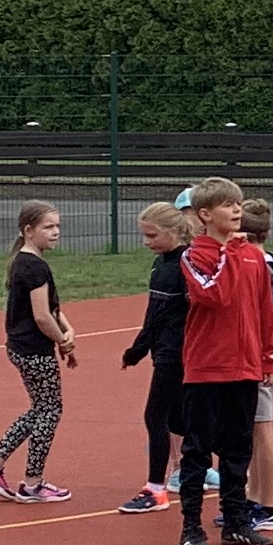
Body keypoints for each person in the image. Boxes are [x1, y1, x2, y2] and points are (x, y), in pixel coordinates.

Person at [171, 179, 273, 545]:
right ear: (204, 214)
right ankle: (191, 528)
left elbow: (264, 309)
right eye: (228, 205)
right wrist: (228, 254)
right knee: (197, 450)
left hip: (244, 367)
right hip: (206, 368)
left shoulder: (254, 256)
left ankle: (235, 521)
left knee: (238, 448)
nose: (236, 210)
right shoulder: (193, 256)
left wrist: (267, 355)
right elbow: (214, 294)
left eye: (238, 204)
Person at [0, 202, 78, 504]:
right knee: (49, 411)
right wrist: (63, 342)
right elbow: (43, 316)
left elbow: (53, 309)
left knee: (41, 410)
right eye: (48, 227)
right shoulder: (34, 266)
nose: (55, 232)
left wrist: (66, 329)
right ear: (28, 230)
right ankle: (31, 482)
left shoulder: (26, 261)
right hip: (33, 350)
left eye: (57, 226)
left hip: (23, 347)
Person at [117, 203, 188, 514]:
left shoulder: (181, 267)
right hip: (163, 349)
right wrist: (140, 349)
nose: (146, 241)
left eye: (152, 235)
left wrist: (137, 349)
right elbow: (152, 314)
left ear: (172, 233)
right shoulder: (161, 264)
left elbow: (158, 318)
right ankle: (196, 470)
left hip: (176, 352)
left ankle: (155, 488)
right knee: (178, 417)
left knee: (155, 416)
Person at [237, 196, 273, 532]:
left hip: (259, 355)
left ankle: (267, 505)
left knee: (261, 429)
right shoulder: (267, 259)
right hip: (253, 353)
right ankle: (252, 499)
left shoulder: (260, 264)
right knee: (251, 432)